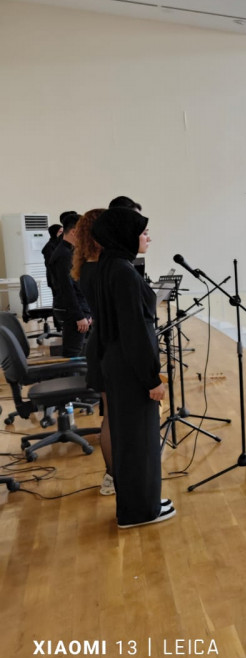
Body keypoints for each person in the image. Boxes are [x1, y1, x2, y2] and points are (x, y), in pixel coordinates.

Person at [90, 208, 172, 528]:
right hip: (129, 367)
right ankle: (139, 512)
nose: (148, 237)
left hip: (118, 363)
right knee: (139, 441)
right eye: (143, 232)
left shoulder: (110, 264)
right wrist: (152, 378)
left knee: (132, 439)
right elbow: (135, 331)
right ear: (126, 235)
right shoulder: (122, 271)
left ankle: (142, 501)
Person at [72, 208, 113, 495]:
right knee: (113, 417)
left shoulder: (87, 266)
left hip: (99, 344)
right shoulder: (102, 269)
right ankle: (113, 476)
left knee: (110, 415)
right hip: (106, 347)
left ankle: (113, 475)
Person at [50, 211, 92, 357]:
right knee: (73, 353)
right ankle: (70, 372)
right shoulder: (63, 255)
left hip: (77, 308)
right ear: (74, 232)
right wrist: (79, 316)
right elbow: (67, 289)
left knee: (83, 350)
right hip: (71, 311)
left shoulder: (69, 251)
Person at [41, 224, 62, 290]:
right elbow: (50, 264)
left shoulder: (59, 244)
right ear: (54, 232)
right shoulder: (49, 247)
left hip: (60, 278)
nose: (62, 234)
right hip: (55, 278)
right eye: (60, 232)